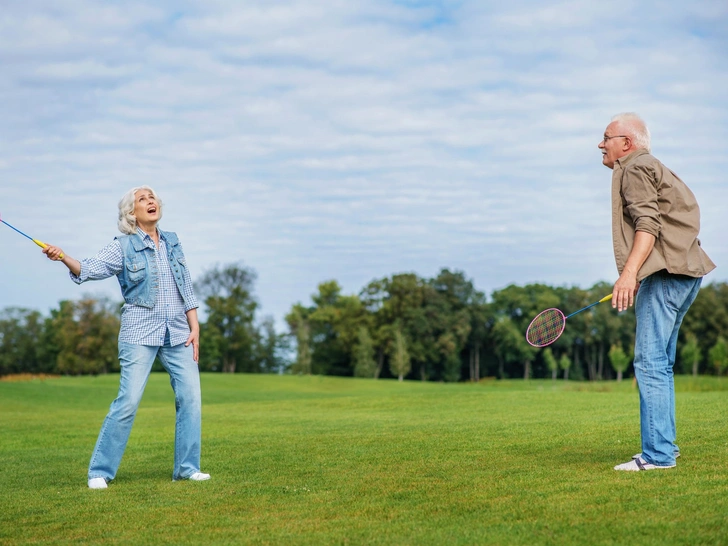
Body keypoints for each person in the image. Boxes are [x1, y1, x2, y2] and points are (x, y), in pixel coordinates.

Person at [43, 186, 210, 488]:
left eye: (153, 197)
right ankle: (99, 472)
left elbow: (185, 284)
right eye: (142, 199)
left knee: (191, 399)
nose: (151, 201)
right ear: (131, 213)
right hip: (139, 332)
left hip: (178, 331)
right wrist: (63, 257)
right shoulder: (122, 246)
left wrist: (194, 325)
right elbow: (88, 269)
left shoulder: (172, 241)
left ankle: (187, 468)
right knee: (129, 401)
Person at [598, 113, 715, 471]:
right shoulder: (653, 166)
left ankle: (658, 456)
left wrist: (628, 274)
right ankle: (665, 448)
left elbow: (647, 224)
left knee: (649, 364)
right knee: (660, 366)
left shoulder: (634, 168)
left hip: (666, 276)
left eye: (606, 137)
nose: (601, 145)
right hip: (686, 275)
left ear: (626, 143)